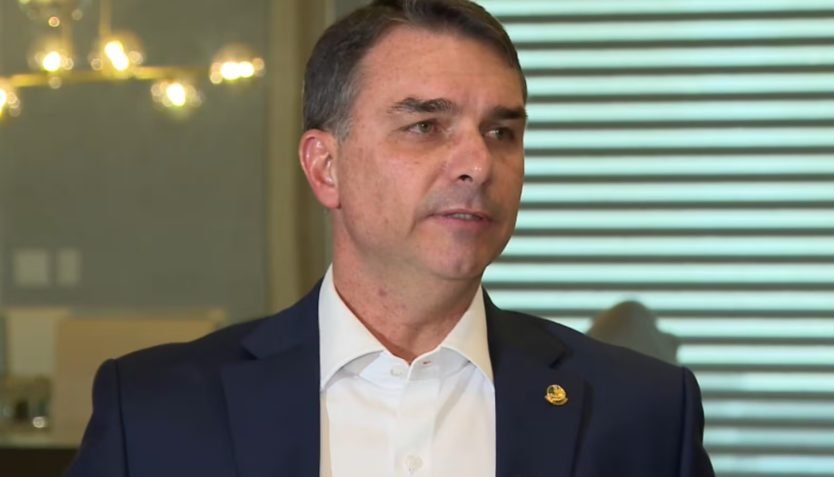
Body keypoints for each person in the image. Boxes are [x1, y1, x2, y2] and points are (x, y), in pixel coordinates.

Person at [65, 1, 715, 476]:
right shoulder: (155, 411)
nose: (478, 164)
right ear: (326, 167)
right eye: (426, 126)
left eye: (501, 133)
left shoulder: (642, 413)